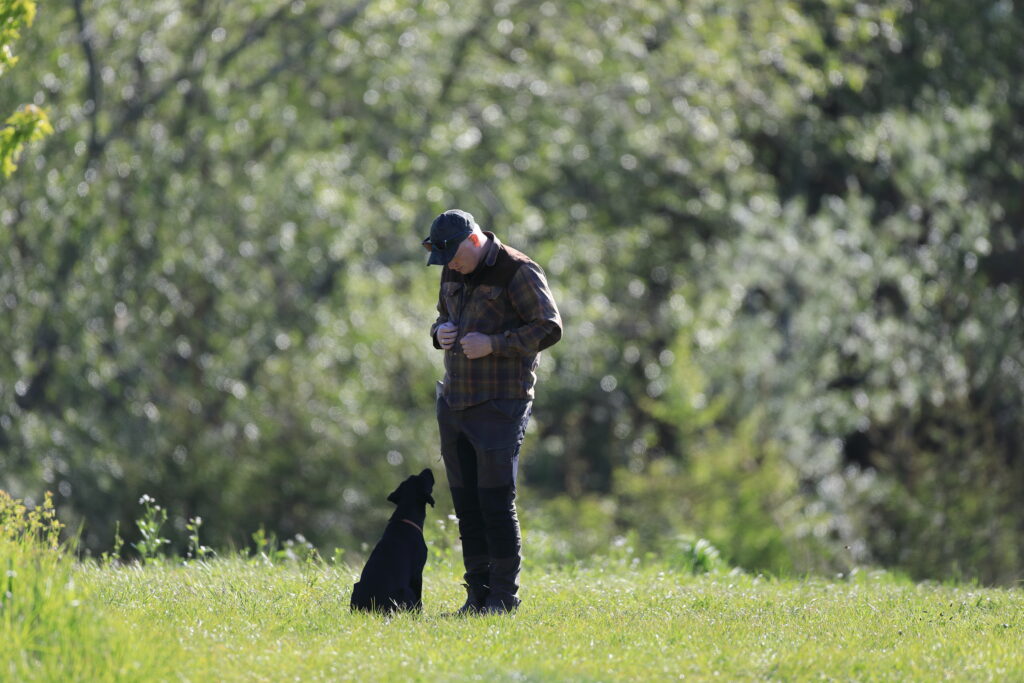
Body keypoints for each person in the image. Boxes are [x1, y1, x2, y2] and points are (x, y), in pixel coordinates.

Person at [422, 209, 562, 614]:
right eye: (445, 261)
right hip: (455, 402)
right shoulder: (452, 267)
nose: (450, 266)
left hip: (501, 404)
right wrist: (439, 332)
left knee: (496, 503)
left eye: (454, 257)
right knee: (467, 505)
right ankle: (477, 596)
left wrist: (495, 344)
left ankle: (503, 598)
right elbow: (443, 316)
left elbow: (549, 327)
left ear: (474, 241)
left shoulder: (518, 270)